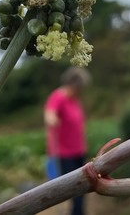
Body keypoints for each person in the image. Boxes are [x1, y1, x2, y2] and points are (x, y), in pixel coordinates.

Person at [44, 66, 91, 215]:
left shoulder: (75, 99)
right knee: (75, 190)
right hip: (64, 154)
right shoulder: (58, 96)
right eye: (80, 87)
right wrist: (52, 120)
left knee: (83, 188)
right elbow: (49, 114)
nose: (81, 90)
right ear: (74, 84)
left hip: (78, 150)